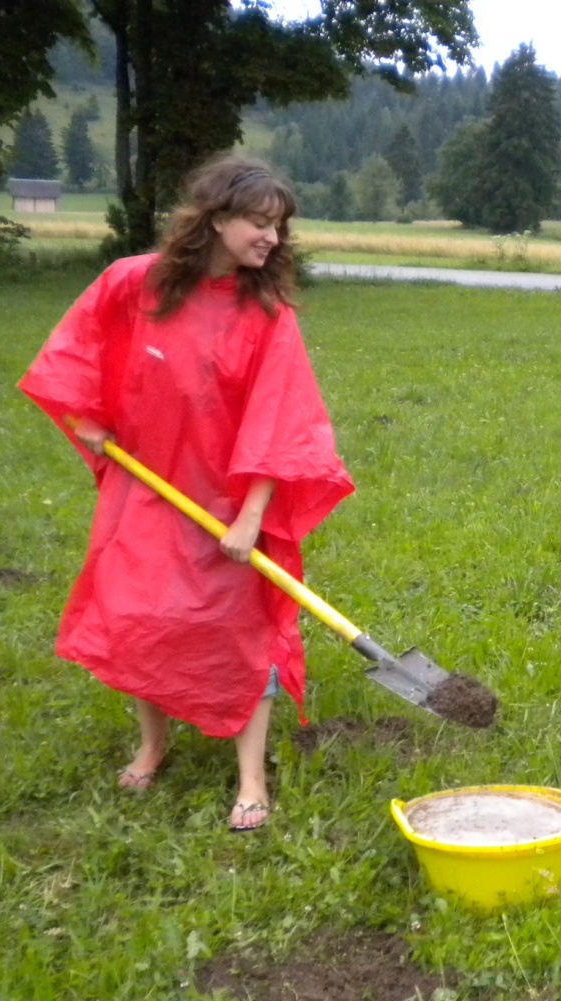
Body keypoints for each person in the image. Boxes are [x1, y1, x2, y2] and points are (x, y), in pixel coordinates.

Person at [20, 155, 354, 832]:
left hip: (225, 504)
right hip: (143, 487)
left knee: (241, 632)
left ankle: (252, 780)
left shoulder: (266, 315)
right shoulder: (134, 282)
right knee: (139, 613)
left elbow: (280, 422)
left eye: (278, 226)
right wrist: (86, 415)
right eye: (259, 222)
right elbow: (81, 346)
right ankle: (152, 745)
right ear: (217, 217)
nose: (271, 237)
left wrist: (253, 515)